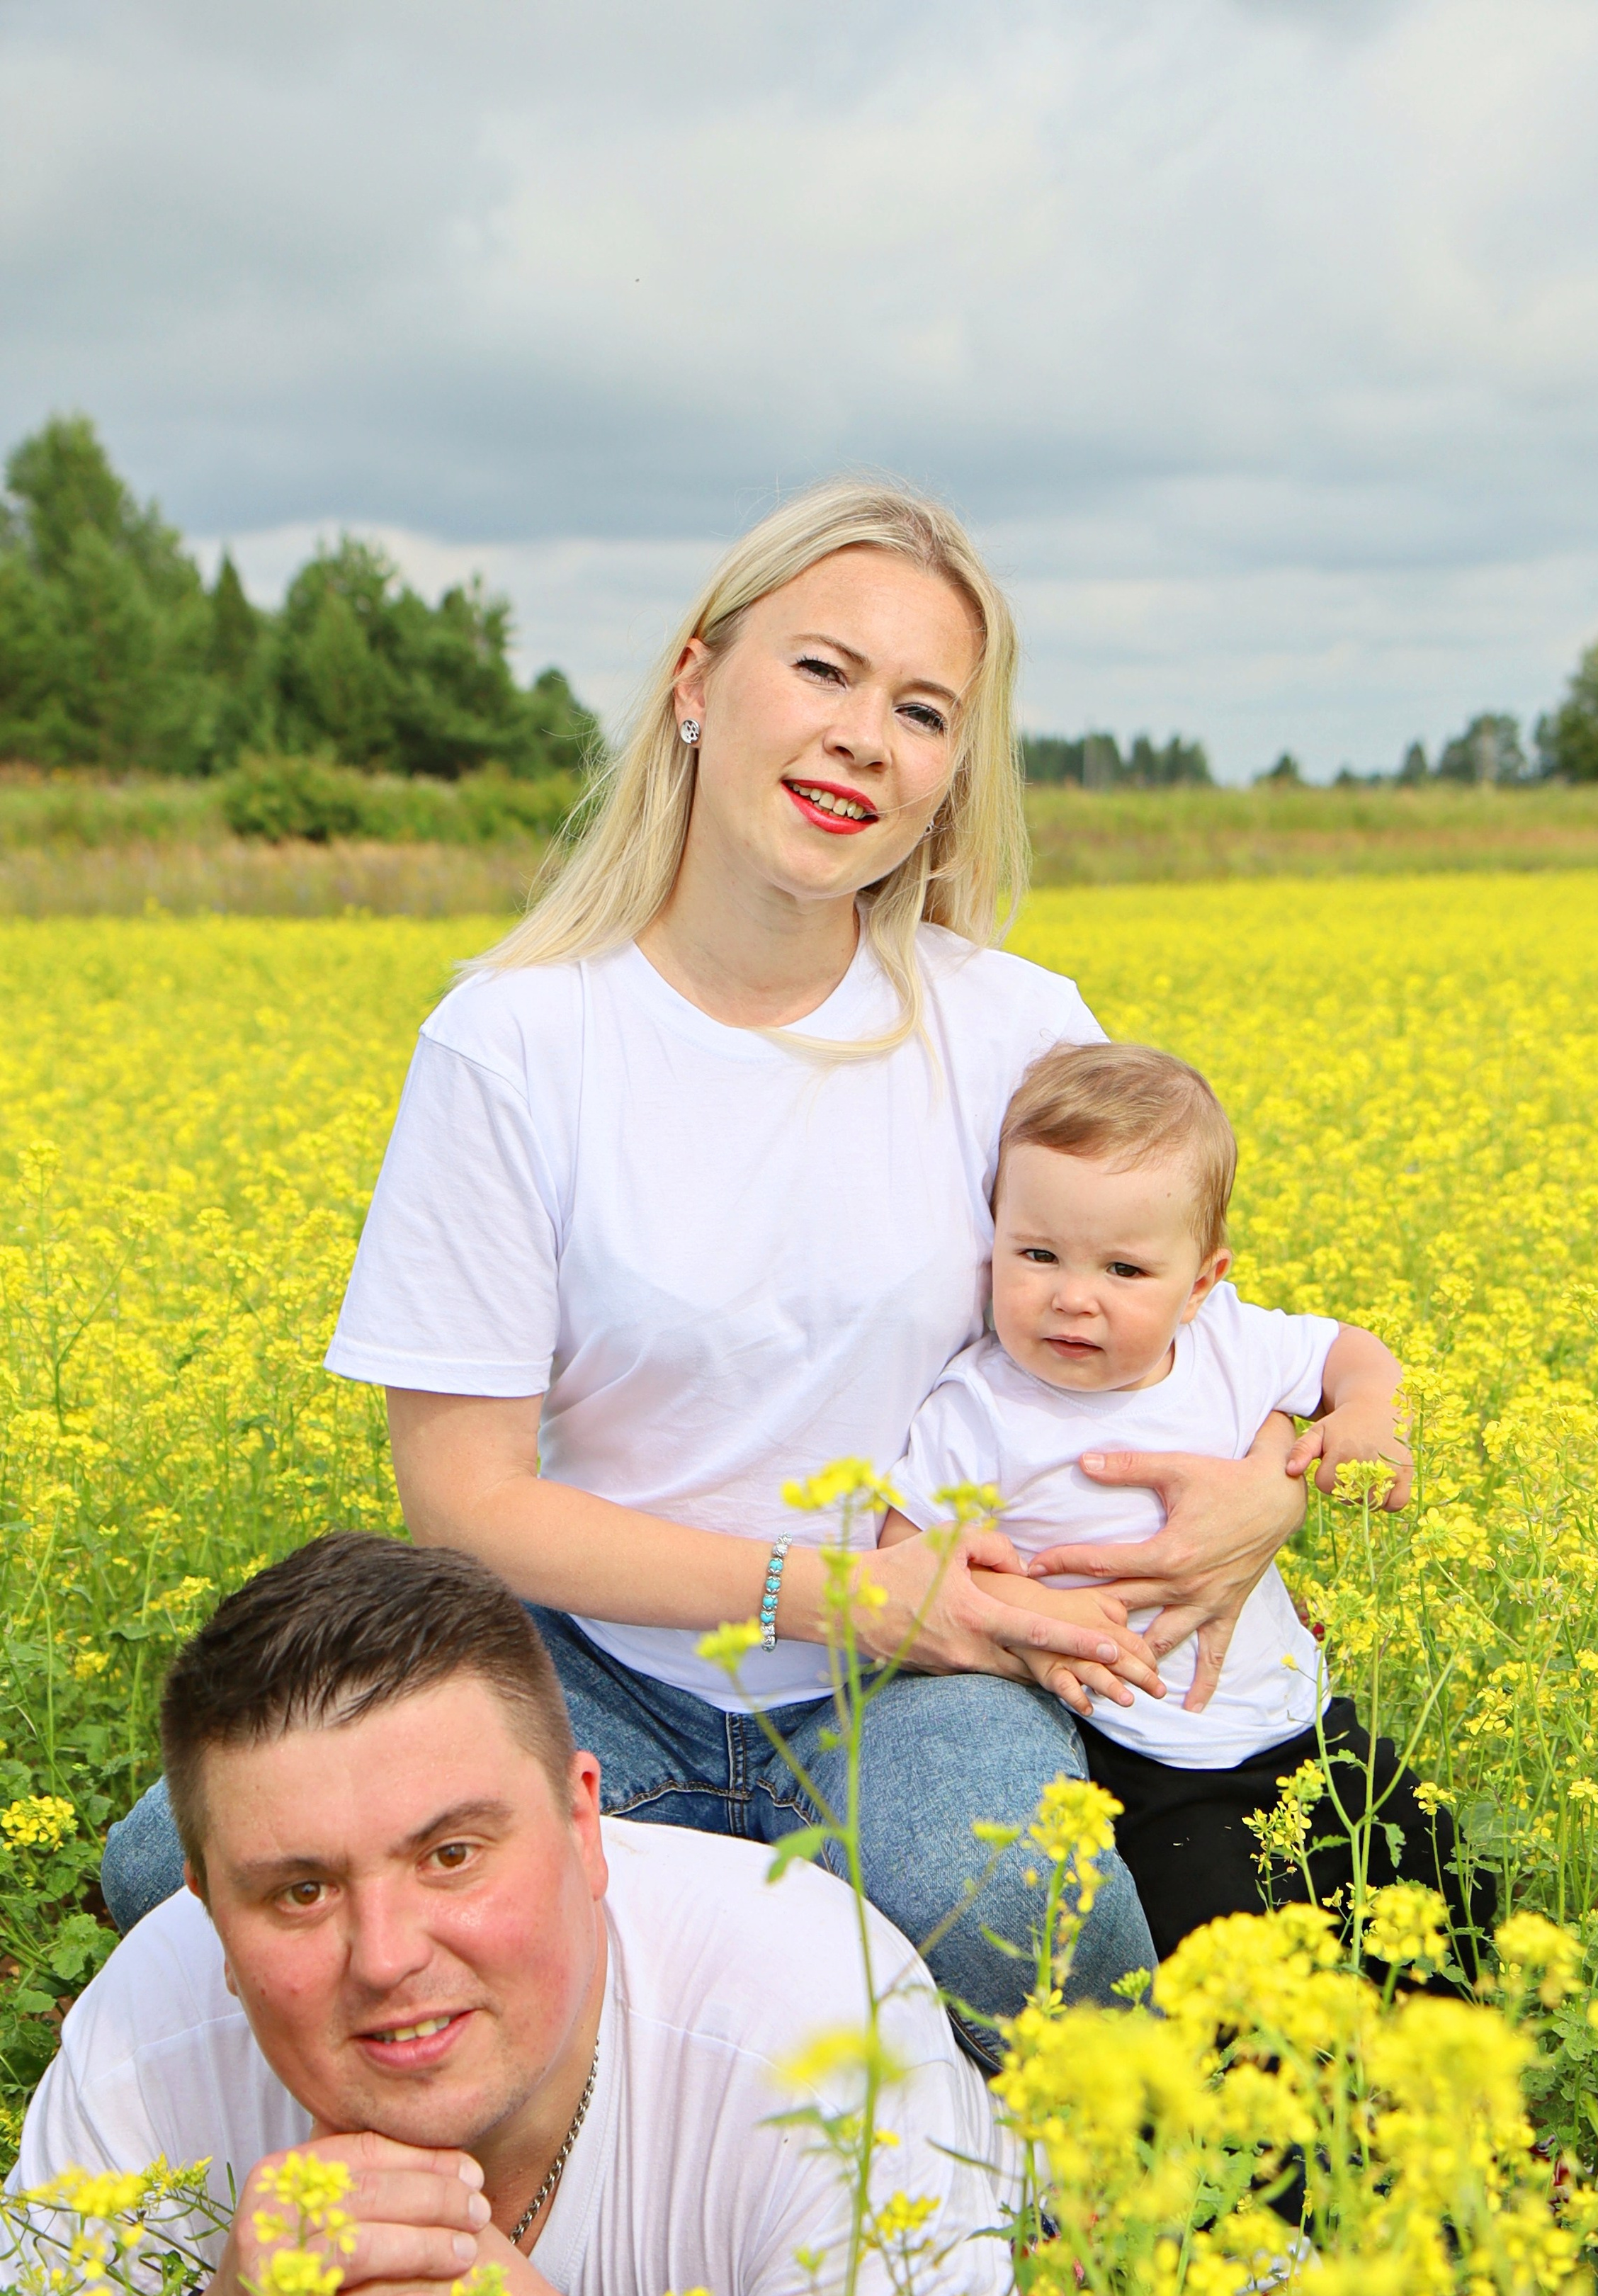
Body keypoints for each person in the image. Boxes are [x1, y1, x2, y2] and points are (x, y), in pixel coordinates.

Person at [99, 480, 1312, 2061]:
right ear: (694, 683)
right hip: (594, 1667)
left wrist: (1273, 1490)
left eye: (923, 710)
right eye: (821, 671)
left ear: (950, 773)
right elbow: (465, 1501)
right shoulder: (517, 1040)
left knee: (1010, 1901)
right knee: (179, 1882)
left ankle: (1074, 2254)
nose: (864, 738)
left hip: (920, 1685)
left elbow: (1196, 1327)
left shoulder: (1011, 1025)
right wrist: (852, 1596)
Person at [5, 1534, 1009, 2296]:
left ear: (586, 1824)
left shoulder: (821, 2032)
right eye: (299, 1890)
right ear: (207, 1912)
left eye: (451, 1857)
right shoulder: (154, 2023)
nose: (384, 1958)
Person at [883, 1040, 1491, 1963]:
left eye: (1124, 1272)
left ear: (1202, 1282)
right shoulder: (980, 1405)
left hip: (1310, 1727)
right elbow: (907, 1559)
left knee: (1457, 1904)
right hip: (1147, 1766)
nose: (1074, 1299)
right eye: (1037, 1255)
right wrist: (1040, 1614)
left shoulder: (1231, 1347)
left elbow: (1353, 1353)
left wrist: (1366, 1410)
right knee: (1229, 1971)